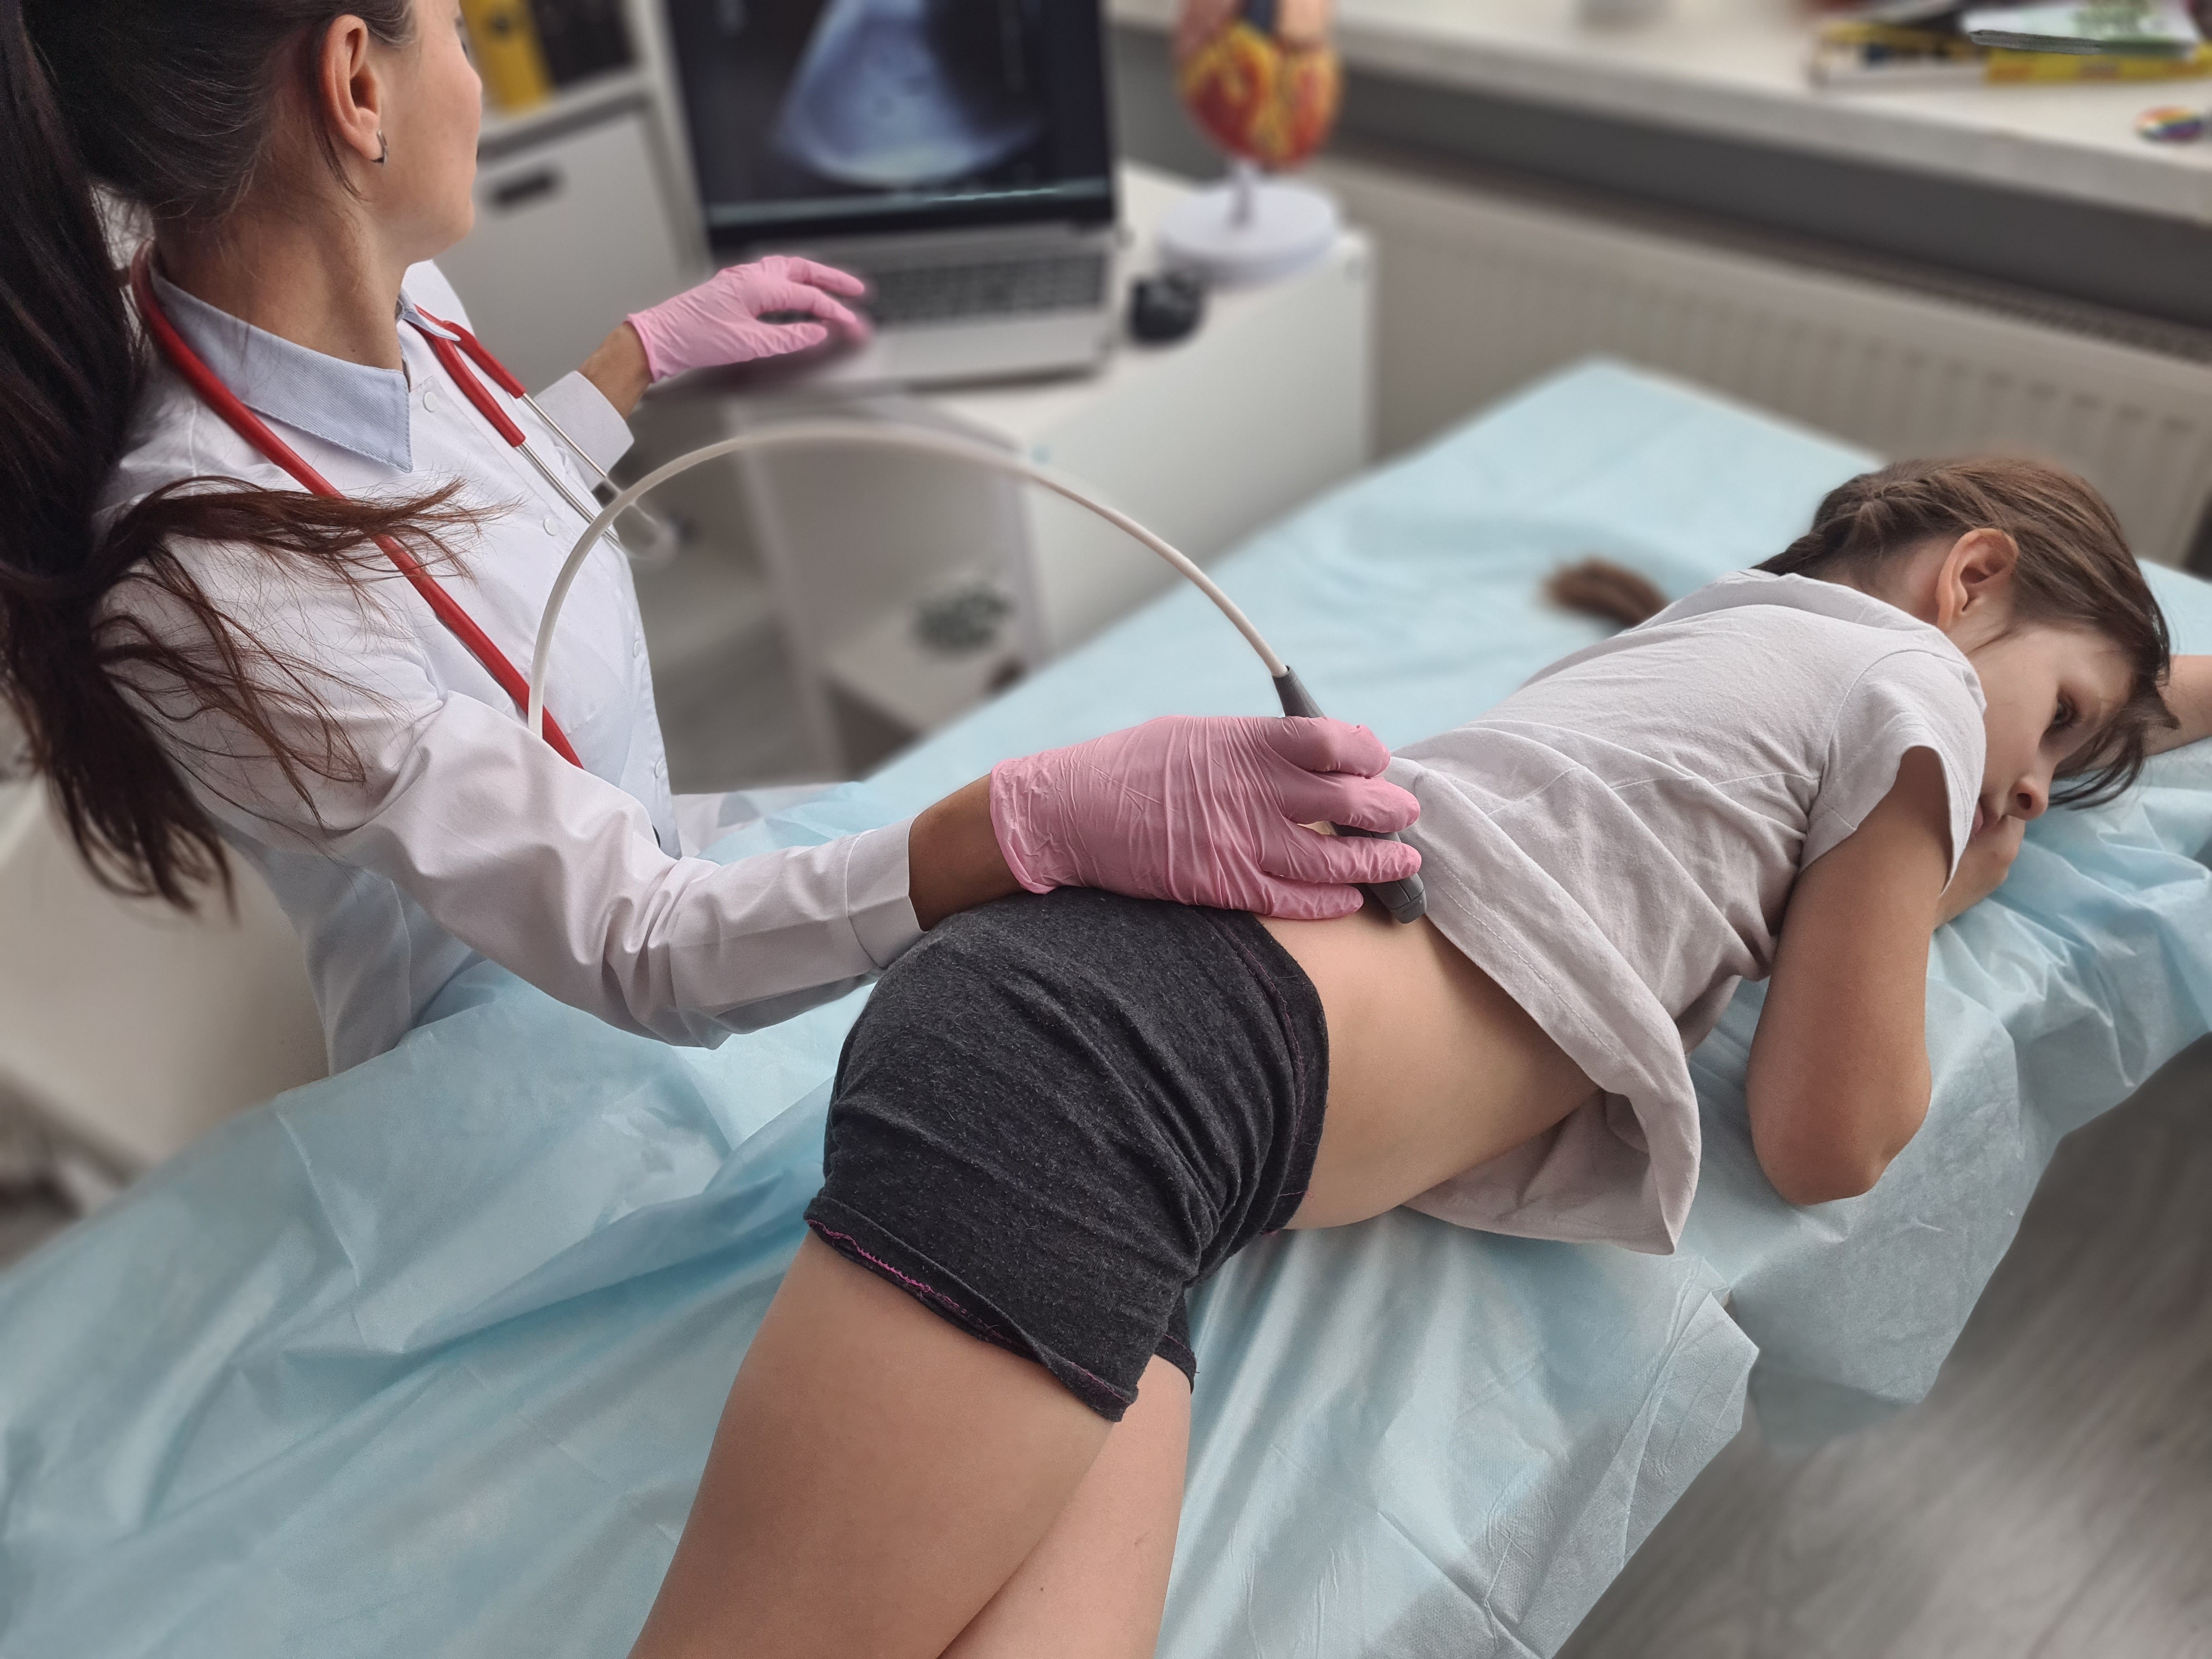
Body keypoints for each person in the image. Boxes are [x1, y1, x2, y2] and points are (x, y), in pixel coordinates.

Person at [623, 458, 2212, 1658]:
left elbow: (2150, 681)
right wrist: (1960, 877)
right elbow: (1834, 1134)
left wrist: (2107, 702)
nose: (2032, 790)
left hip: (1150, 1124)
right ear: (1972, 579)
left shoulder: (1732, 635)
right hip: (1109, 1079)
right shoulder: (1917, 694)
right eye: (2060, 731)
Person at [0, 0, 1421, 1071]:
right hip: (524, 1051)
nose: (477, 76)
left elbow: (443, 547)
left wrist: (631, 363)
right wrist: (1025, 820)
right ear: (357, 84)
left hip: (657, 885)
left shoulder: (385, 298)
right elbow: (632, 939)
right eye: (454, 25)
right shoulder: (207, 587)